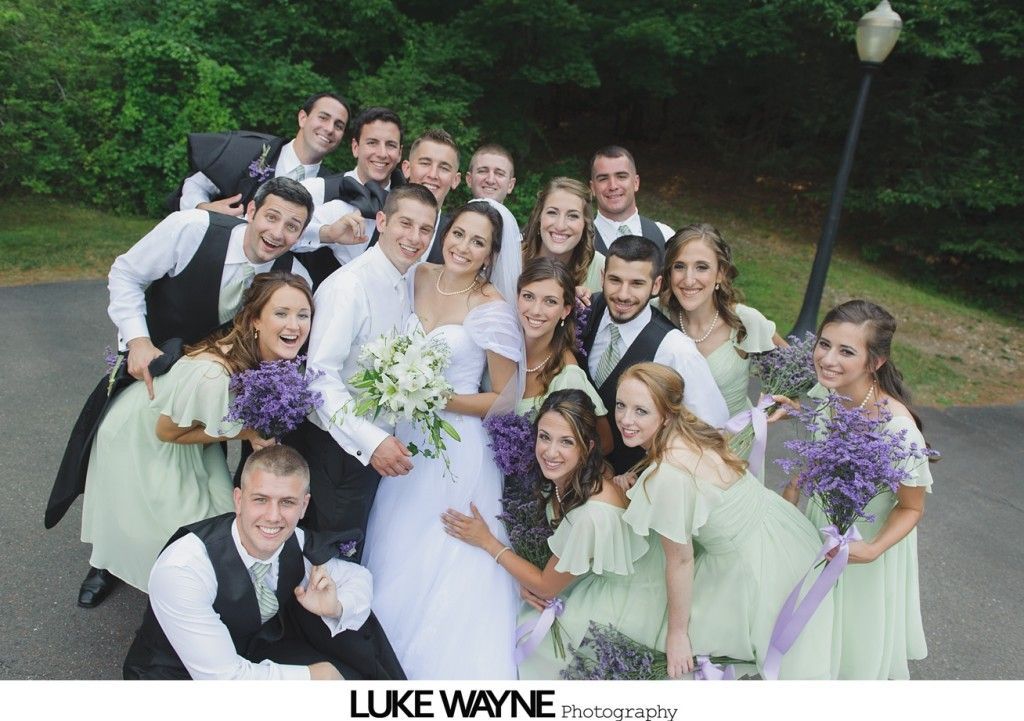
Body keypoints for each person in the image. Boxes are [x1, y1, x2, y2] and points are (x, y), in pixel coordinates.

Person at [48, 178, 314, 546]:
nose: (278, 232)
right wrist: (138, 341)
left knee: (192, 488)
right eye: (271, 217)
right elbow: (126, 274)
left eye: (292, 226)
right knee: (128, 471)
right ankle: (106, 564)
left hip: (208, 396)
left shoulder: (294, 278)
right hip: (151, 381)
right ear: (251, 212)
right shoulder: (191, 229)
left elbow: (285, 342)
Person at [77, 271, 313, 605]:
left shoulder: (274, 358)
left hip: (191, 432)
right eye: (281, 313)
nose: (294, 325)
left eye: (302, 315)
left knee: (217, 511)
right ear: (255, 320)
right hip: (145, 435)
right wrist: (245, 431)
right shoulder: (213, 373)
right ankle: (149, 590)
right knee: (169, 526)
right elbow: (166, 431)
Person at [362, 200, 521, 680]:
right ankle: (378, 656)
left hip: (456, 448)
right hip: (405, 435)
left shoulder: (490, 308)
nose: (464, 247)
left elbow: (504, 397)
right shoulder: (418, 275)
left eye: (478, 242)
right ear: (445, 233)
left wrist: (436, 396)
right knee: (396, 536)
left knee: (443, 549)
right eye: (458, 234)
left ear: (490, 255)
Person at [617, 363, 834, 679]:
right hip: (780, 530)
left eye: (641, 411)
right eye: (621, 405)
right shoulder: (693, 431)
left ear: (665, 415)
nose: (625, 419)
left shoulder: (668, 475)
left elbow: (680, 560)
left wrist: (678, 634)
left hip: (751, 565)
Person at [123, 445, 405, 680]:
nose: (273, 517)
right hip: (177, 674)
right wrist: (316, 677)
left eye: (287, 502)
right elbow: (226, 681)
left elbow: (357, 576)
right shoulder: (184, 569)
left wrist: (337, 606)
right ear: (239, 499)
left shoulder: (295, 538)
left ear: (304, 505)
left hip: (254, 650)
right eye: (260, 500)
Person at [441, 389, 666, 680]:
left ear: (588, 446)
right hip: (593, 576)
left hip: (625, 598)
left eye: (566, 442)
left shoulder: (590, 515)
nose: (550, 452)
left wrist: (486, 540)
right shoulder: (574, 476)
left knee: (538, 647)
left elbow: (546, 587)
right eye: (544, 437)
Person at [783, 299, 934, 679]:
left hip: (864, 545)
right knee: (808, 642)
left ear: (875, 361)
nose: (828, 359)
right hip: (819, 529)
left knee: (850, 652)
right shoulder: (826, 395)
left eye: (846, 351)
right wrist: (793, 488)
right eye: (824, 344)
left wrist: (871, 549)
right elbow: (818, 449)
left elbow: (911, 507)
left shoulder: (898, 431)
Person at [292, 184, 438, 549]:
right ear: (383, 222)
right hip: (337, 450)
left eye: (425, 230)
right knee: (329, 553)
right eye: (406, 224)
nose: (415, 237)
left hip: (377, 449)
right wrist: (372, 442)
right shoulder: (349, 287)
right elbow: (319, 380)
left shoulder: (409, 280)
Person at [579, 235, 728, 473]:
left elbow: (712, 428)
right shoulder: (585, 310)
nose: (623, 295)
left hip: (632, 486)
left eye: (637, 283)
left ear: (656, 285)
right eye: (615, 280)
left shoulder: (676, 349)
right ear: (602, 277)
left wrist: (650, 473)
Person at [659, 223, 786, 420]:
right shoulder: (656, 313)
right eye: (679, 266)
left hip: (730, 446)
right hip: (669, 446)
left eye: (702, 267)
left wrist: (784, 405)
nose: (689, 279)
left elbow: (795, 370)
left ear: (720, 273)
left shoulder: (744, 321)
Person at [171, 92, 350, 215]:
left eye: (339, 125)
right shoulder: (251, 150)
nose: (329, 129)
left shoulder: (330, 189)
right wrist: (202, 207)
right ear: (303, 118)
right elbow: (196, 183)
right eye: (323, 117)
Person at [514, 257, 613, 453]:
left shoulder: (568, 377)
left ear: (565, 310)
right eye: (528, 296)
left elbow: (605, 443)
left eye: (550, 301)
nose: (535, 310)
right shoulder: (501, 349)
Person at [522, 177, 604, 294]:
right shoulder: (510, 260)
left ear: (585, 224)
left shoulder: (601, 268)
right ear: (539, 217)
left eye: (573, 216)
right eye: (552, 213)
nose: (560, 226)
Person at [588, 146, 673, 254]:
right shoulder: (578, 241)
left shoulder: (665, 236)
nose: (613, 186)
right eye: (603, 178)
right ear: (593, 188)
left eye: (621, 176)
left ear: (636, 183)